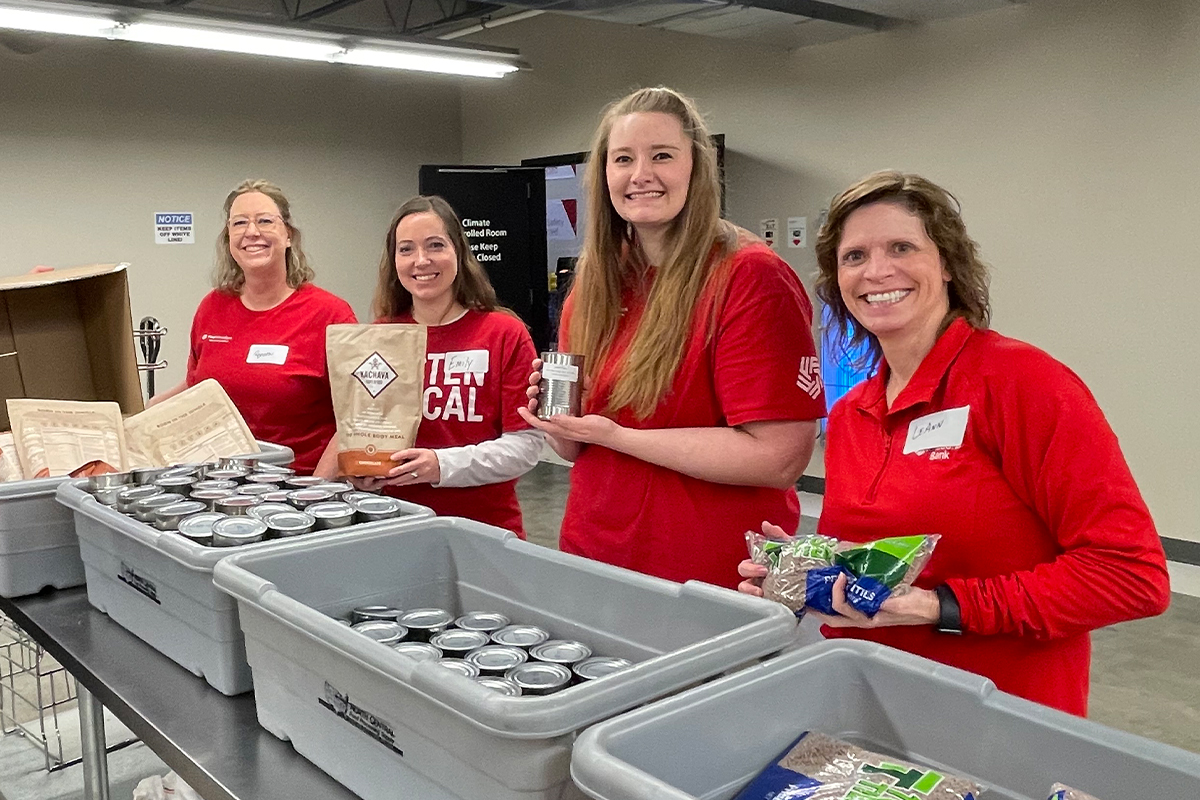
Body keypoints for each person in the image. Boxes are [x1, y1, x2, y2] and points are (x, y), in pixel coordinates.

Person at [739, 170, 1170, 715]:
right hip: (866, 712)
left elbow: (1131, 575)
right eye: (854, 257)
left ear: (946, 264)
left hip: (998, 718)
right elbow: (876, 571)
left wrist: (940, 605)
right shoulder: (852, 413)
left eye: (902, 247)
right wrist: (801, 572)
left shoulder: (1023, 384)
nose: (877, 271)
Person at [520, 87, 826, 589]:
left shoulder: (748, 277)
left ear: (695, 167)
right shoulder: (594, 288)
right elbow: (576, 453)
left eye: (661, 155)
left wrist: (619, 436)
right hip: (594, 555)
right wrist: (561, 425)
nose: (640, 174)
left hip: (707, 576)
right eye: (623, 159)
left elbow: (779, 458)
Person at [350, 195, 541, 537]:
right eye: (406, 249)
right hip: (394, 525)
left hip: (483, 531)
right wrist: (363, 473)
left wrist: (441, 466)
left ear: (458, 252)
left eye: (435, 245)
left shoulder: (503, 334)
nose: (421, 260)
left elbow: (524, 448)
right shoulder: (380, 335)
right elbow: (368, 430)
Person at [151, 179, 357, 475]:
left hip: (300, 491)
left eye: (264, 221)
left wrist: (317, 491)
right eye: (239, 223)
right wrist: (133, 419)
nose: (251, 232)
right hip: (220, 487)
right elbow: (197, 387)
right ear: (229, 239)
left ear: (288, 235)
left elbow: (354, 415)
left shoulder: (330, 314)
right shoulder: (212, 308)